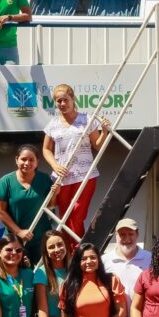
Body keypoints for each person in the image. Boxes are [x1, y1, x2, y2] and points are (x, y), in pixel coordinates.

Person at [42, 84, 112, 251]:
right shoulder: (52, 124)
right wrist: (55, 165)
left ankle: (78, 252)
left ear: (73, 99)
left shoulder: (87, 119)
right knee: (64, 217)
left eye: (65, 100)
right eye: (58, 101)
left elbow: (97, 145)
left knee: (78, 215)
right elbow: (46, 149)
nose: (62, 104)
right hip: (62, 177)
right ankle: (68, 253)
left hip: (85, 175)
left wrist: (104, 131)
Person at [0, 144, 59, 268]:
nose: (27, 163)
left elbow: (50, 206)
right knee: (15, 274)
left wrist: (54, 194)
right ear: (16, 159)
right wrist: (18, 231)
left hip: (41, 238)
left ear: (37, 161)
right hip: (15, 241)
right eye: (23, 159)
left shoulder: (44, 179)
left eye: (31, 160)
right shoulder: (5, 181)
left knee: (43, 274)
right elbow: (0, 211)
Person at [102, 218, 151, 317]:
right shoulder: (104, 261)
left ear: (137, 235)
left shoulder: (150, 259)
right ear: (116, 236)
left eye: (130, 234)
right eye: (122, 234)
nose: (127, 238)